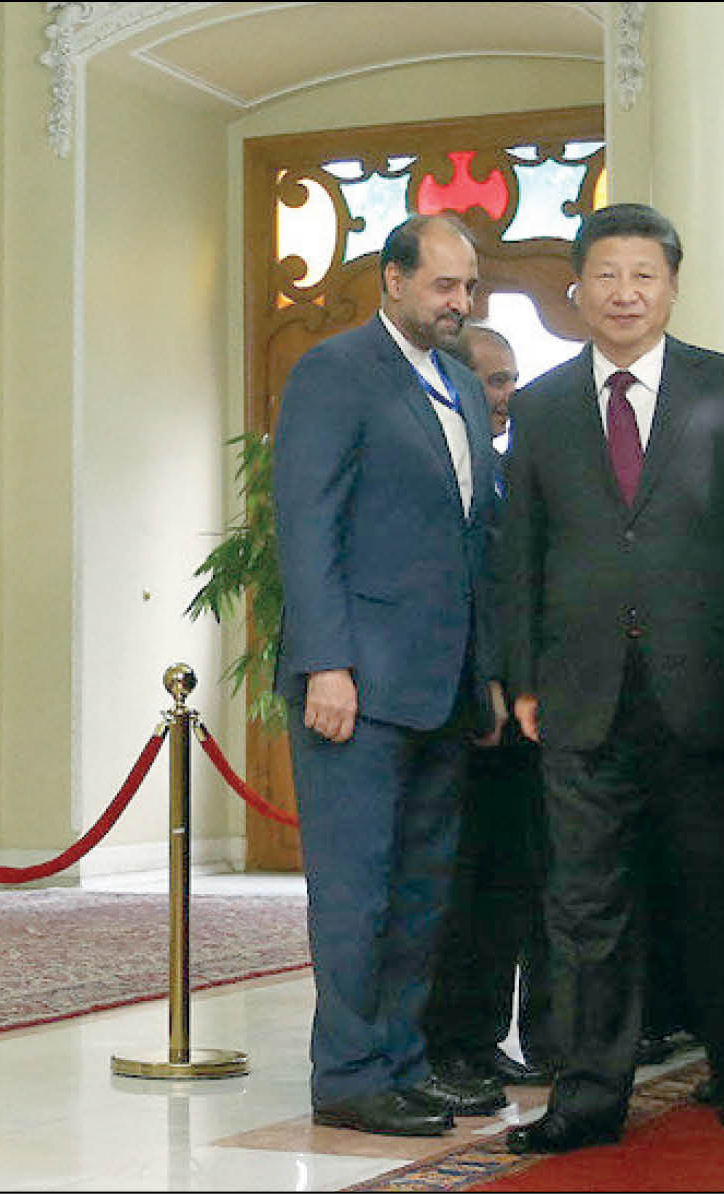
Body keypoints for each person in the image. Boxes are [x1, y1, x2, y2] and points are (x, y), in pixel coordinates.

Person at [498, 202, 724, 1152]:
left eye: (643, 275)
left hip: (711, 690)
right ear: (577, 289)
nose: (624, 293)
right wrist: (524, 675)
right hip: (580, 694)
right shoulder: (541, 406)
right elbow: (521, 552)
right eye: (606, 275)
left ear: (671, 287)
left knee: (719, 892)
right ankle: (587, 1098)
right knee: (583, 907)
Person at [272, 214, 509, 1137]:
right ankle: (347, 1074)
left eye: (469, 286)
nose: (459, 303)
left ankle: (405, 1065)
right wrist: (325, 662)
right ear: (394, 280)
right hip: (357, 686)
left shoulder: (459, 382)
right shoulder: (334, 371)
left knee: (420, 893)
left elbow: (476, 539)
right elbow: (307, 524)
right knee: (356, 893)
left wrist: (487, 674)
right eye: (444, 285)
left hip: (442, 686)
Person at [425, 326, 551, 1090]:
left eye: (510, 379)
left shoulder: (507, 472)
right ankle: (441, 1044)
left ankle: (481, 1037)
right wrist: (487, 685)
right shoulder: (447, 476)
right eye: (494, 381)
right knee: (456, 887)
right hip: (463, 709)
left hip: (516, 717)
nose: (508, 395)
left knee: (507, 883)